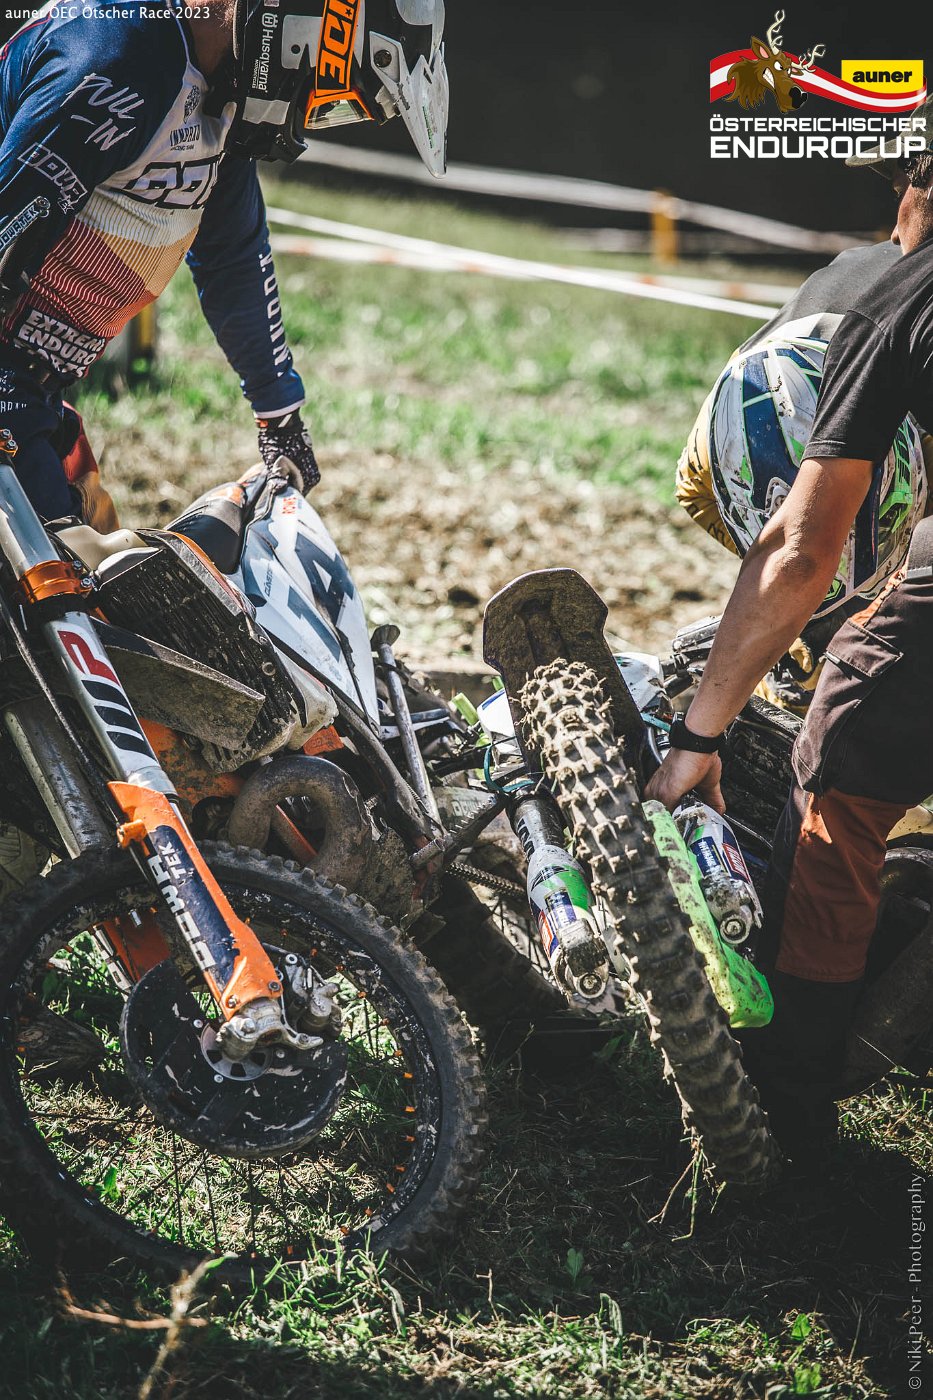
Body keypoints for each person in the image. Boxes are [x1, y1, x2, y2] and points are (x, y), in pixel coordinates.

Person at [645, 98, 933, 1155]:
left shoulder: (887, 296)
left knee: (841, 769)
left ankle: (791, 1095)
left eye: (900, 187)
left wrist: (699, 735)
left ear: (920, 187)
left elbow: (803, 548)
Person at [0, 0, 448, 526]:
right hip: (11, 385)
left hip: (34, 389)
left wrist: (279, 416)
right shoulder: (115, 60)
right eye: (330, 93)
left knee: (99, 554)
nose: (311, 113)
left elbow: (232, 253)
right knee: (64, 573)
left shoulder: (220, 82)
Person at [677, 243, 930, 712]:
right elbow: (796, 555)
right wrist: (785, 598)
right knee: (803, 581)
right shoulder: (707, 463)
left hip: (897, 384)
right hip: (821, 363)